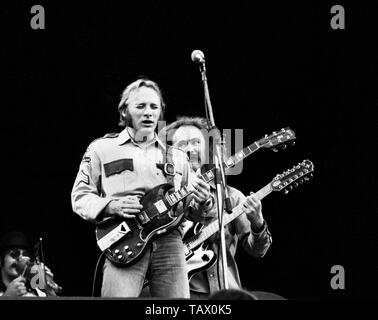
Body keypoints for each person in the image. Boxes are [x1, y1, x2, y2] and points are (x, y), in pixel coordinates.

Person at [71, 78, 213, 298]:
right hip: (124, 237)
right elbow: (80, 196)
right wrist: (110, 205)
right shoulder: (101, 148)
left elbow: (189, 211)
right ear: (124, 111)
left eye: (154, 107)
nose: (148, 112)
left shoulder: (176, 156)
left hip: (170, 243)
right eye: (140, 106)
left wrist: (202, 201)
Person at [161, 116, 272, 298]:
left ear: (209, 149)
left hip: (221, 291)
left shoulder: (231, 196)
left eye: (196, 142)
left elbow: (257, 250)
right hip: (171, 291)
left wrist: (257, 223)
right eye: (181, 144)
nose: (189, 149)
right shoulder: (161, 197)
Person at [0, 231, 53, 297]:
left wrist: (49, 289)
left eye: (25, 254)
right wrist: (7, 297)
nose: (21, 259)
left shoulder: (38, 292)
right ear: (1, 260)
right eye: (15, 254)